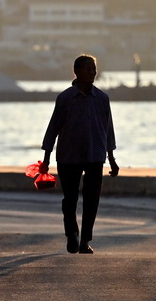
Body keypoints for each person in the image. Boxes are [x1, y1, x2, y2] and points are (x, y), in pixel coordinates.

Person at [40, 54, 119, 254]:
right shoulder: (65, 98)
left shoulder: (102, 98)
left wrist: (112, 159)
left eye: (94, 68)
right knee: (70, 199)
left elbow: (108, 129)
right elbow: (53, 128)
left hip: (95, 155)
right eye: (88, 68)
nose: (92, 72)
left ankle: (85, 240)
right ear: (76, 71)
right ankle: (71, 234)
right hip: (68, 156)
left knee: (92, 199)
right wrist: (46, 159)